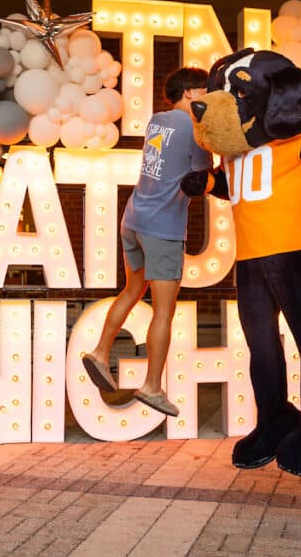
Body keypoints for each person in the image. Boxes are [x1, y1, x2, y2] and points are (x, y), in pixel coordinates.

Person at [81, 67, 212, 417]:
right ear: (189, 94)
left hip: (134, 219)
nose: (209, 99)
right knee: (164, 311)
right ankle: (152, 386)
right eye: (204, 92)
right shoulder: (194, 128)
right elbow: (202, 177)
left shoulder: (157, 119)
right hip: (164, 227)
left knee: (131, 290)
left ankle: (99, 351)